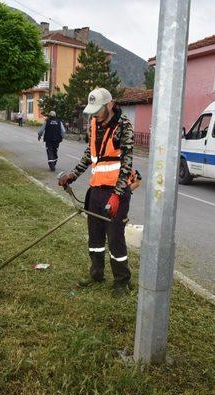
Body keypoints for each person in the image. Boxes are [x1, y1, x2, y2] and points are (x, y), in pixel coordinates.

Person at [58, 88, 136, 297]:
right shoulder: (93, 124)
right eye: (91, 110)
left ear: (110, 105)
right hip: (96, 190)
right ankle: (96, 274)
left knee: (116, 238)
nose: (93, 114)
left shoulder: (124, 126)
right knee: (95, 237)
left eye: (97, 110)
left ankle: (122, 281)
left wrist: (117, 195)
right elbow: (90, 154)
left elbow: (127, 164)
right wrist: (73, 175)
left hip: (116, 192)